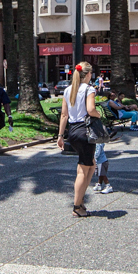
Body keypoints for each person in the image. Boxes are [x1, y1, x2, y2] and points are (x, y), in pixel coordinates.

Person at [58, 60, 100, 217]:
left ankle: (80, 200)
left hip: (73, 132)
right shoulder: (89, 89)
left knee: (89, 164)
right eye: (91, 73)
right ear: (88, 74)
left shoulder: (68, 90)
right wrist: (99, 115)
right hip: (85, 131)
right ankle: (77, 206)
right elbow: (91, 109)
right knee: (84, 168)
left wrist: (60, 136)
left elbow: (64, 115)